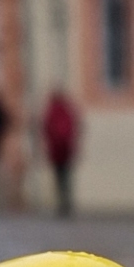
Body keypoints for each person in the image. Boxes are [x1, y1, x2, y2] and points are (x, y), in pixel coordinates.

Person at [41, 89, 80, 218]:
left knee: (59, 178)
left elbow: (45, 129)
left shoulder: (51, 111)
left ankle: (62, 204)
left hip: (56, 150)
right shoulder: (67, 110)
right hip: (66, 150)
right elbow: (74, 128)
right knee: (66, 178)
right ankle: (66, 202)